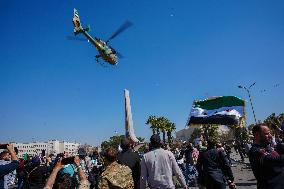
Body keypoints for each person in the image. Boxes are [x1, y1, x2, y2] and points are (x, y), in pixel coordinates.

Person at [249, 124, 284, 189]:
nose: (270, 136)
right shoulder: (255, 151)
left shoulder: (267, 146)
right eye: (267, 134)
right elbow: (274, 160)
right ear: (257, 135)